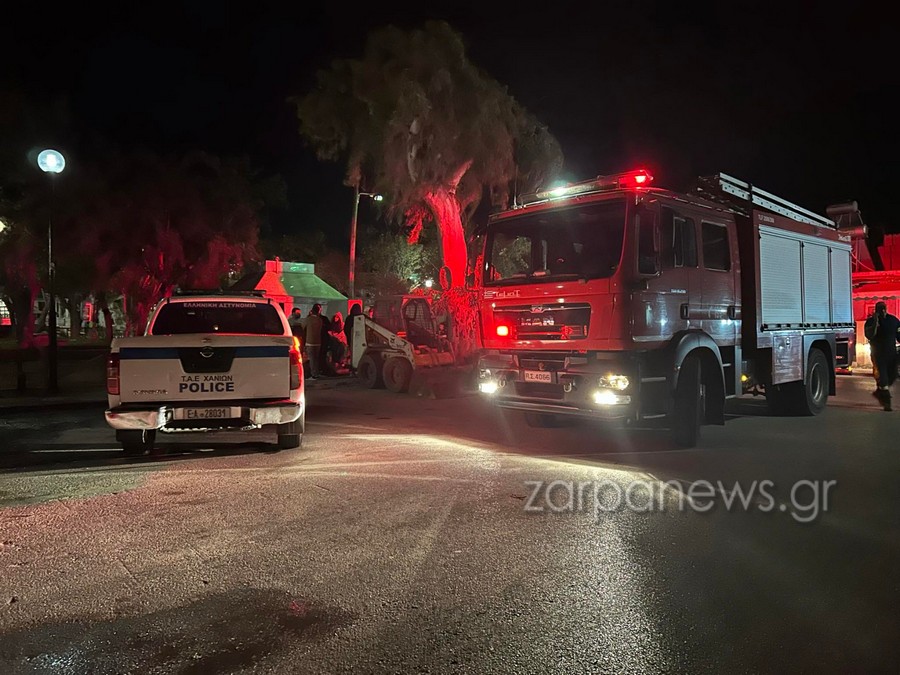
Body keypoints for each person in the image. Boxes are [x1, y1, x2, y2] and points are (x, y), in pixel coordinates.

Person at [864, 301, 900, 411]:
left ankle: (880, 392)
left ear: (886, 309)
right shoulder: (870, 321)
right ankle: (887, 403)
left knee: (893, 375)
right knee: (883, 378)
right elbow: (869, 335)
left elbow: (899, 335)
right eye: (879, 309)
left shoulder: (893, 320)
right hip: (878, 354)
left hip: (891, 353)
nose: (882, 311)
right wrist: (875, 322)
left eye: (883, 309)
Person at [304, 304, 324, 379]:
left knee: (312, 359)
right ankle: (317, 372)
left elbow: (303, 326)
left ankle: (313, 374)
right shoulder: (320, 320)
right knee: (316, 358)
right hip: (318, 342)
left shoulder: (308, 319)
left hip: (310, 342)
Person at [345, 304, 363, 370]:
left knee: (352, 354)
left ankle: (353, 367)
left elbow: (346, 329)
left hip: (351, 340)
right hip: (361, 340)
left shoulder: (349, 318)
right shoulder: (362, 317)